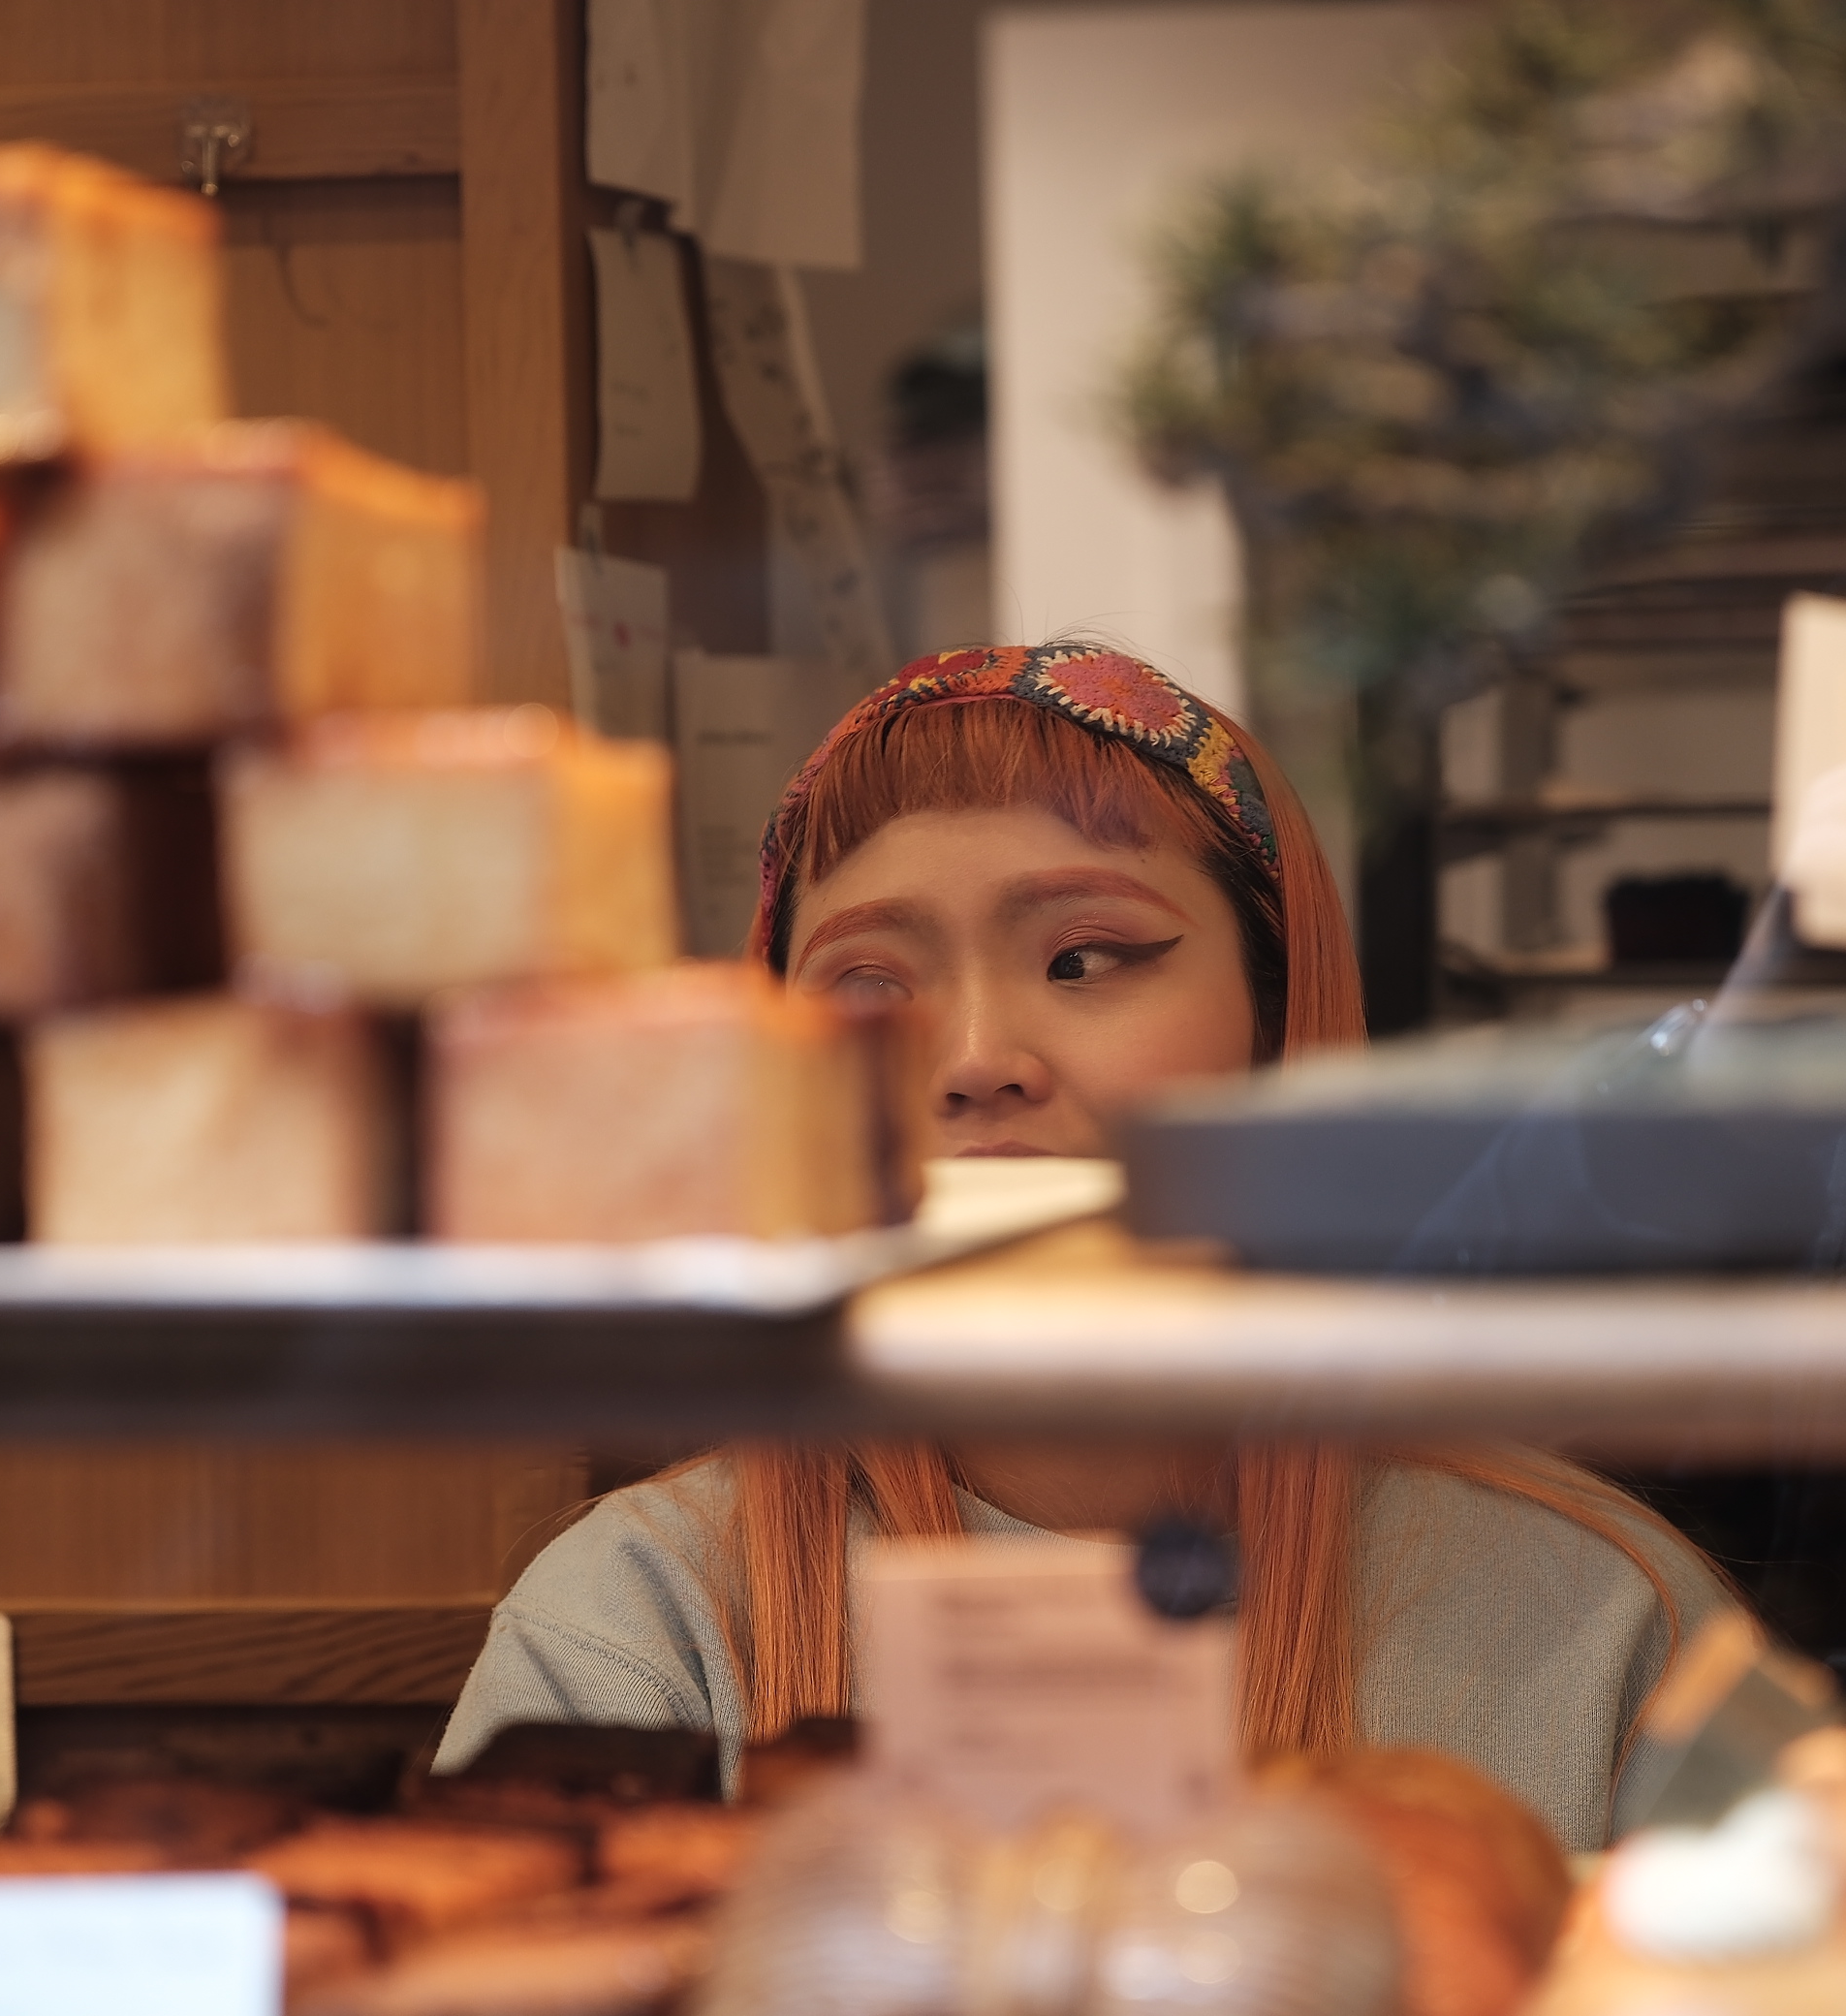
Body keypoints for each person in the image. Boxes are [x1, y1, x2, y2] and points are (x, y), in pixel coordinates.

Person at [435, 642, 1735, 1849]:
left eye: (1088, 958)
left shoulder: (1598, 1618)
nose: (976, 1061)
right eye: (870, 988)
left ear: (1280, 1031)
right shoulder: (638, 1624)